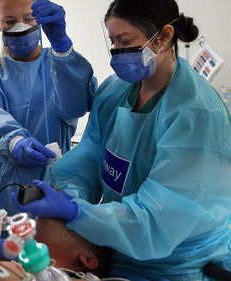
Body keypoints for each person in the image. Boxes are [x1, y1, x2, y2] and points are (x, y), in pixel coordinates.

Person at [13, 0, 231, 280]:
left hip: (173, 263)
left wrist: (77, 212)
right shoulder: (115, 92)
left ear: (164, 36)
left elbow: (159, 219)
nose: (117, 53)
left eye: (126, 40)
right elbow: (88, 159)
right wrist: (65, 193)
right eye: (113, 42)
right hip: (118, 247)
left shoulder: (196, 114)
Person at [0, 0, 96, 216]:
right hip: (6, 186)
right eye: (10, 21)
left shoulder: (60, 64)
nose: (21, 27)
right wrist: (16, 142)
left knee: (52, 246)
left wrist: (63, 50)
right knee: (7, 244)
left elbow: (76, 106)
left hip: (59, 178)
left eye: (28, 19)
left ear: (41, 19)